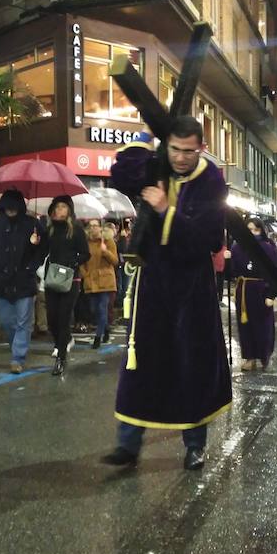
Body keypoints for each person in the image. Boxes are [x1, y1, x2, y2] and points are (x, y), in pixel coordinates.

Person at [101, 117, 232, 471]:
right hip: (154, 281)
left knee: (193, 364)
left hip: (192, 287)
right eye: (174, 148)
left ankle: (194, 446)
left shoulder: (211, 180)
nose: (180, 158)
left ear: (201, 148)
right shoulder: (159, 164)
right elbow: (124, 173)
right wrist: (144, 136)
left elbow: (208, 240)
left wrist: (164, 210)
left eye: (189, 151)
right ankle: (127, 446)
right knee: (140, 360)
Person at [0, 190, 46, 374]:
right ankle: (16, 350)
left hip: (24, 281)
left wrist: (31, 266)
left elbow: (42, 249)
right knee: (7, 322)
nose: (10, 211)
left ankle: (17, 357)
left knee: (23, 322)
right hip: (2, 282)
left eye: (13, 207)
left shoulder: (33, 225)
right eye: (7, 208)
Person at [43, 195, 90, 376]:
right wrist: (35, 242)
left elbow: (85, 254)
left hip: (71, 280)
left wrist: (73, 262)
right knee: (52, 319)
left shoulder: (76, 229)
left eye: (63, 207)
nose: (59, 210)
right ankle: (66, 339)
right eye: (56, 207)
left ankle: (61, 358)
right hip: (52, 278)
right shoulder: (50, 229)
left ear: (69, 210)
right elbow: (42, 251)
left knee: (63, 318)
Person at [232, 218, 277, 371]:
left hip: (261, 289)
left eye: (255, 229)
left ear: (261, 230)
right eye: (248, 229)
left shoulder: (267, 247)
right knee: (245, 326)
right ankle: (249, 357)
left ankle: (264, 355)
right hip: (244, 290)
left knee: (263, 325)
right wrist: (227, 261)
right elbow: (231, 273)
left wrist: (271, 295)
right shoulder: (237, 247)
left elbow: (275, 272)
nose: (251, 233)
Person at [80, 217, 118, 350]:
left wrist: (105, 251)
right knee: (94, 310)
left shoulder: (108, 241)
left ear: (101, 227)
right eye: (91, 226)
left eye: (96, 225)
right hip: (91, 281)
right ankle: (106, 328)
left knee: (102, 309)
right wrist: (84, 274)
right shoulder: (86, 243)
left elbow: (115, 261)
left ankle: (97, 337)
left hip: (105, 281)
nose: (93, 228)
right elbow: (82, 260)